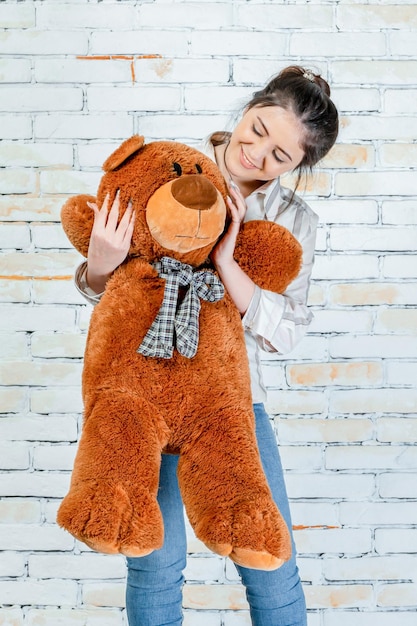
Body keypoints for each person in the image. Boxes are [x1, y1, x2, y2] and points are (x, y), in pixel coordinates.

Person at [74, 65, 339, 626]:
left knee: (271, 560)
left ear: (297, 168)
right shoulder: (169, 171)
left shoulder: (294, 222)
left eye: (281, 156)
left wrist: (226, 260)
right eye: (259, 129)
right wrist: (98, 267)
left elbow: (285, 331)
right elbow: (117, 295)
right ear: (247, 111)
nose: (258, 154)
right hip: (143, 387)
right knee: (154, 563)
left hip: (231, 406)